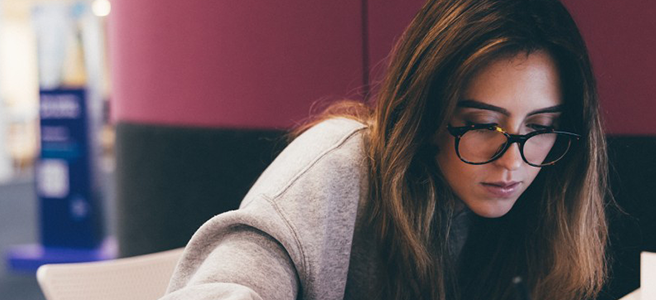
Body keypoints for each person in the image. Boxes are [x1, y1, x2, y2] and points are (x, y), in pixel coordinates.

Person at [161, 0, 609, 299]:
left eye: (541, 126)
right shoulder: (337, 163)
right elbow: (233, 279)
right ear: (424, 112)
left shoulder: (545, 187)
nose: (513, 160)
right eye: (480, 125)